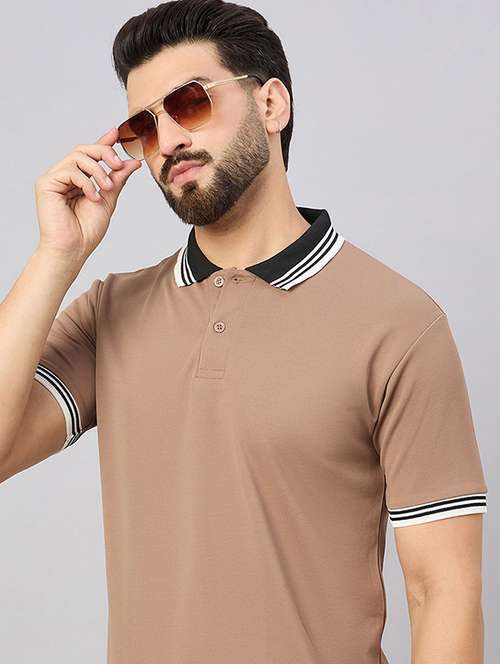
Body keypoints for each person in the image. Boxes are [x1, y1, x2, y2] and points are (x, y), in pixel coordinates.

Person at [0, 1, 488, 662]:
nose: (168, 140)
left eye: (190, 103)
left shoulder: (400, 325)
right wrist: (56, 256)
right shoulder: (110, 312)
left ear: (271, 104)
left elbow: (442, 592)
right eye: (143, 126)